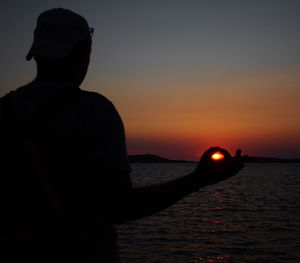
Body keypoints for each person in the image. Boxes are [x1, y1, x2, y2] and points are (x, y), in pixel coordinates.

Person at [3, 8, 244, 263]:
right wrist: (199, 179)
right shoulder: (94, 111)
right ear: (83, 51)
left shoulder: (3, 110)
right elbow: (121, 207)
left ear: (37, 53)